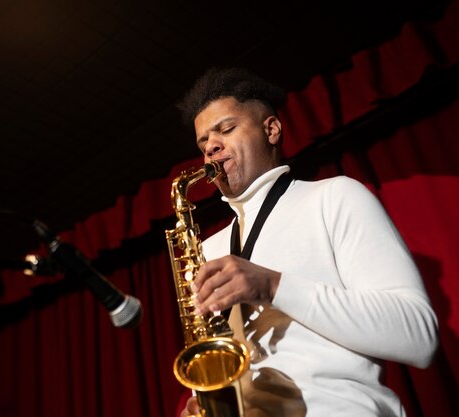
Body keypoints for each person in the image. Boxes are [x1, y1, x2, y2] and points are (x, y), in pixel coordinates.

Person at [175, 67, 438, 417]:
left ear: (271, 130)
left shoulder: (335, 197)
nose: (211, 147)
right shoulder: (208, 249)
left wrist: (272, 285)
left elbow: (418, 335)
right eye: (203, 142)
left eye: (227, 129)